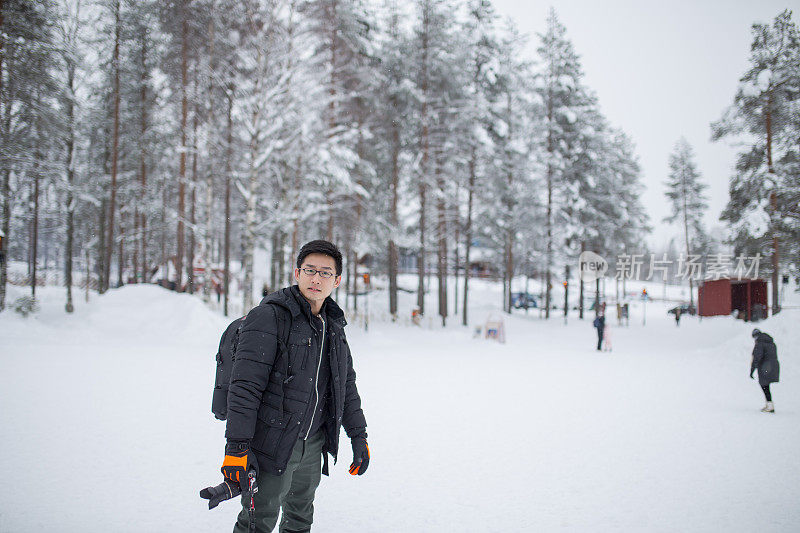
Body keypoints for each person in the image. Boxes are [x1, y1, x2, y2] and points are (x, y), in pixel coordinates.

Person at [222, 240, 369, 532]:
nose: (316, 278)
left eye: (325, 273)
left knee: (300, 519)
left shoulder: (334, 325)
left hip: (313, 444)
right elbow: (244, 387)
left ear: (337, 280)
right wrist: (236, 447)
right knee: (258, 521)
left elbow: (345, 385)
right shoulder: (270, 317)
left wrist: (358, 435)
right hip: (271, 442)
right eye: (309, 270)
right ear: (296, 273)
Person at [750, 328, 780, 413]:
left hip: (765, 367)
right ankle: (769, 404)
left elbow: (757, 357)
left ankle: (770, 405)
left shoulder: (760, 343)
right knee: (766, 386)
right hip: (774, 366)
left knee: (764, 385)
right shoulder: (771, 342)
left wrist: (752, 370)